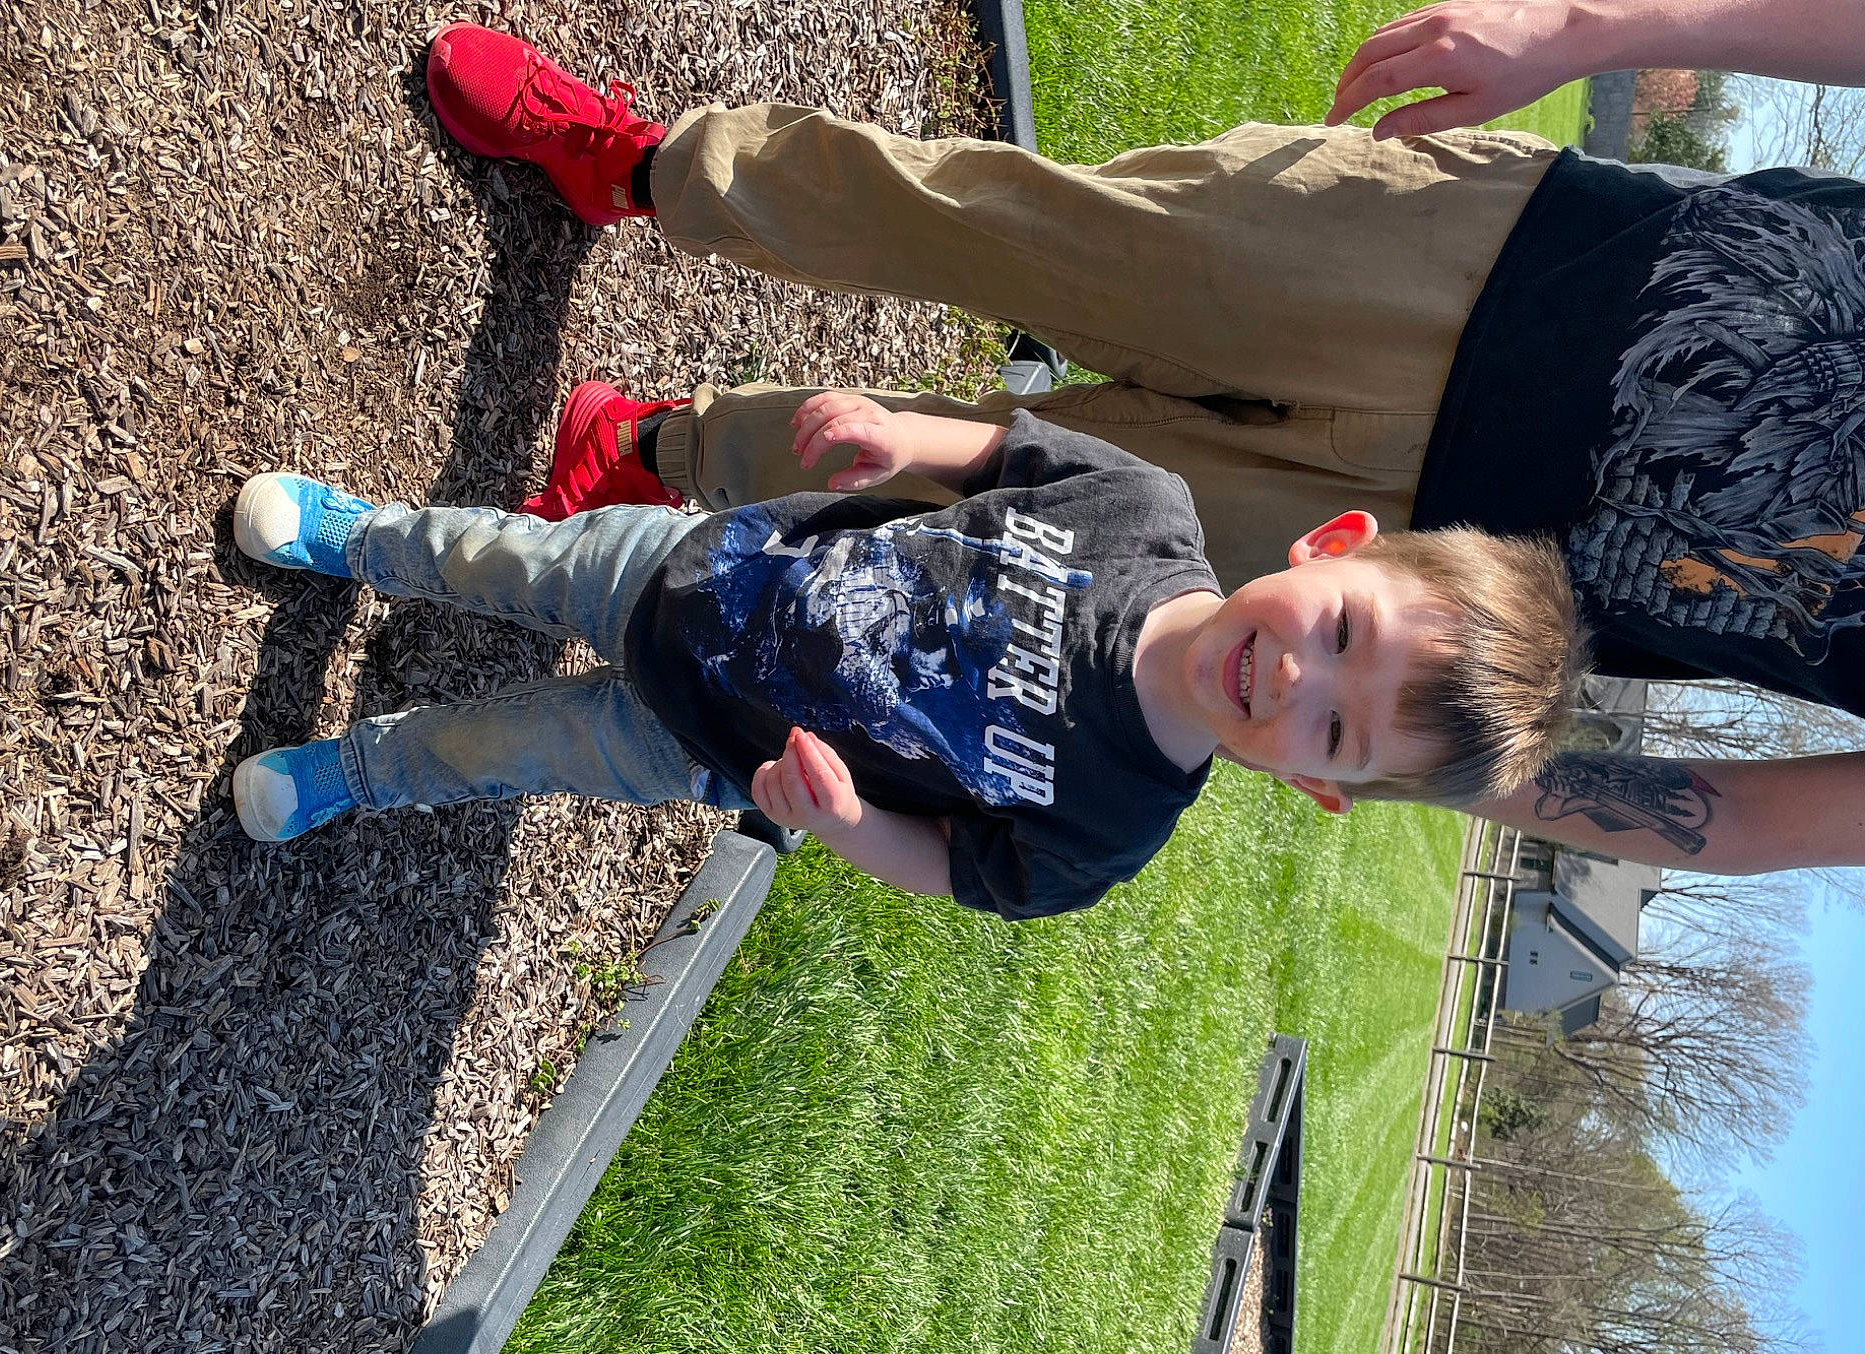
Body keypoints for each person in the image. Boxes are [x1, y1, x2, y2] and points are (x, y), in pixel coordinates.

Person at [418, 3, 1865, 877]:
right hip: (1517, 260)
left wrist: (1401, 746)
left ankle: (663, 461)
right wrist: (1594, 29)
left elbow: (1730, 821)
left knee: (972, 554)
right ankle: (655, 168)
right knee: (1015, 227)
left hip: (1446, 589)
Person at [226, 397, 1586, 919]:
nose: (1298, 683)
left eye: (1336, 731)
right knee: (504, 560)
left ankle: (366, 766)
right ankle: (360, 537)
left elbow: (956, 868)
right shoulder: (1146, 510)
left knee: (516, 748)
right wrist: (899, 438)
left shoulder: (1110, 829)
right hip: (712, 566)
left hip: (719, 751)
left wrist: (845, 820)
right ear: (1331, 547)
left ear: (1319, 788)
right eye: (1342, 634)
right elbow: (1005, 453)